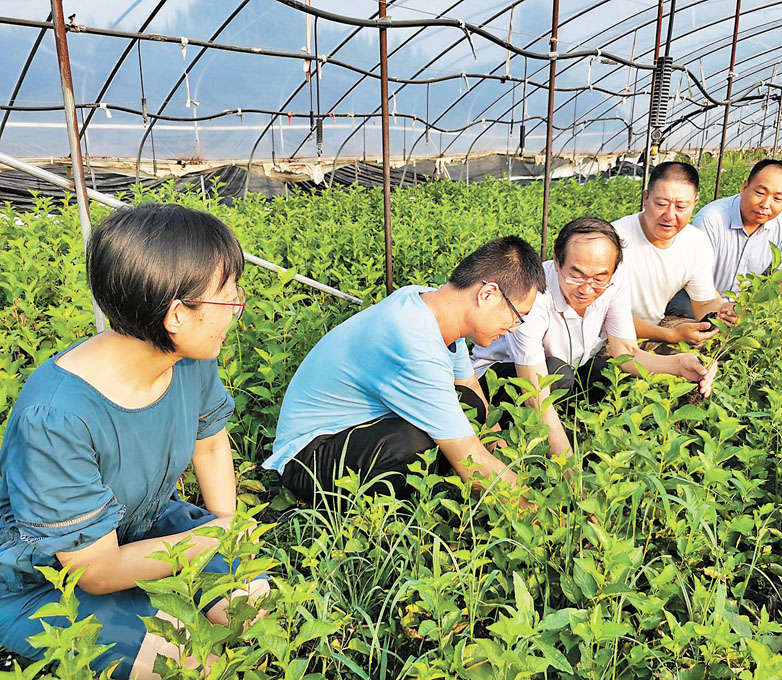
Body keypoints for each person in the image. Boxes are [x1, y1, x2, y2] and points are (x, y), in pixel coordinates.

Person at [0, 204, 268, 679]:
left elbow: (209, 442)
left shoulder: (188, 358)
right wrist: (210, 538)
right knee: (186, 663)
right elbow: (97, 571)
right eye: (228, 298)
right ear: (176, 315)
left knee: (255, 611)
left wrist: (224, 522)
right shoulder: (57, 417)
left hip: (138, 522)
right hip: (44, 575)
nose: (238, 309)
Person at [265, 236, 546, 506]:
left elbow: (470, 386)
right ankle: (382, 514)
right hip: (307, 459)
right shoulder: (415, 343)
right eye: (516, 316)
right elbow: (472, 462)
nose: (513, 327)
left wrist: (501, 450)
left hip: (357, 428)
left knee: (469, 403)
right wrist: (541, 514)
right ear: (487, 294)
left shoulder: (427, 301)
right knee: (419, 441)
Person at [471, 217, 718, 458]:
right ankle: (520, 435)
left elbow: (625, 353)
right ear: (557, 261)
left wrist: (678, 365)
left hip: (568, 367)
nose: (587, 289)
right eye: (576, 275)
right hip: (501, 377)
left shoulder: (614, 281)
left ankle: (565, 426)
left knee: (608, 373)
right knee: (559, 373)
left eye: (599, 278)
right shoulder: (533, 296)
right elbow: (535, 393)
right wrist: (568, 470)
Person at [611, 161, 737, 345]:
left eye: (681, 207)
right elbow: (605, 314)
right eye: (661, 204)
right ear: (645, 198)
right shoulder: (615, 240)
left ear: (694, 204)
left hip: (656, 328)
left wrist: (721, 313)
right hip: (612, 336)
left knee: (717, 345)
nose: (670, 215)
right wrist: (670, 335)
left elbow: (703, 304)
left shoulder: (696, 243)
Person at [692, 158, 782, 298]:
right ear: (744, 188)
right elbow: (696, 279)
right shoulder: (711, 219)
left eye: (777, 198)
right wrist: (722, 309)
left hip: (738, 306)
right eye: (760, 193)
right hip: (697, 301)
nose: (765, 204)